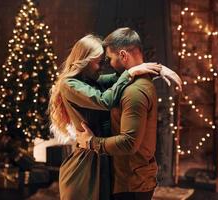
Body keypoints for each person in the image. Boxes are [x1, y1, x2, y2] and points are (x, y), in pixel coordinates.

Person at [48, 34, 163, 200]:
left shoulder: (92, 80)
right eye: (100, 62)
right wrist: (131, 72)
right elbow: (105, 100)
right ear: (85, 60)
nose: (103, 66)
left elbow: (118, 78)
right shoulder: (70, 84)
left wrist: (156, 69)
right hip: (87, 161)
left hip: (101, 156)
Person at [76, 27, 179, 200]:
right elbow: (100, 82)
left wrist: (91, 142)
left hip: (131, 184)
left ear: (123, 55)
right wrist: (158, 69)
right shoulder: (135, 81)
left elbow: (129, 143)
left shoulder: (134, 91)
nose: (106, 65)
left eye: (110, 58)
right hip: (131, 179)